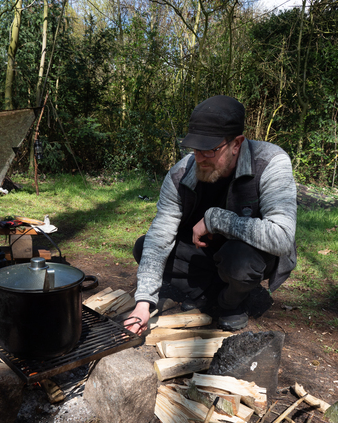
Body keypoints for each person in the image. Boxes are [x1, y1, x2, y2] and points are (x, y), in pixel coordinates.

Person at [125, 95, 297, 334]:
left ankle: (231, 304)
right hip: (204, 254)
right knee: (145, 246)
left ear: (236, 143)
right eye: (196, 149)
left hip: (246, 255)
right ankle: (208, 296)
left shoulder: (270, 162)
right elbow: (159, 237)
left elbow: (282, 237)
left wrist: (215, 219)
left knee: (239, 259)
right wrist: (144, 303)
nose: (199, 158)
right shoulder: (180, 173)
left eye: (210, 151)